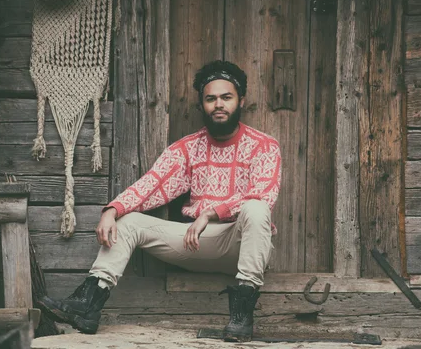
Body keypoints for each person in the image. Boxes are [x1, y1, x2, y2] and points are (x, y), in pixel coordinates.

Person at [38, 60, 282, 342]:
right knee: (128, 221)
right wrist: (112, 209)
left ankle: (241, 318)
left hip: (241, 244)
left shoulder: (265, 145)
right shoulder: (188, 148)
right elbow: (151, 185)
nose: (218, 104)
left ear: (240, 100)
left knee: (256, 208)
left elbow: (263, 193)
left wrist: (210, 214)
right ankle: (88, 304)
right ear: (201, 104)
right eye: (210, 98)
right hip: (195, 244)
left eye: (226, 97)